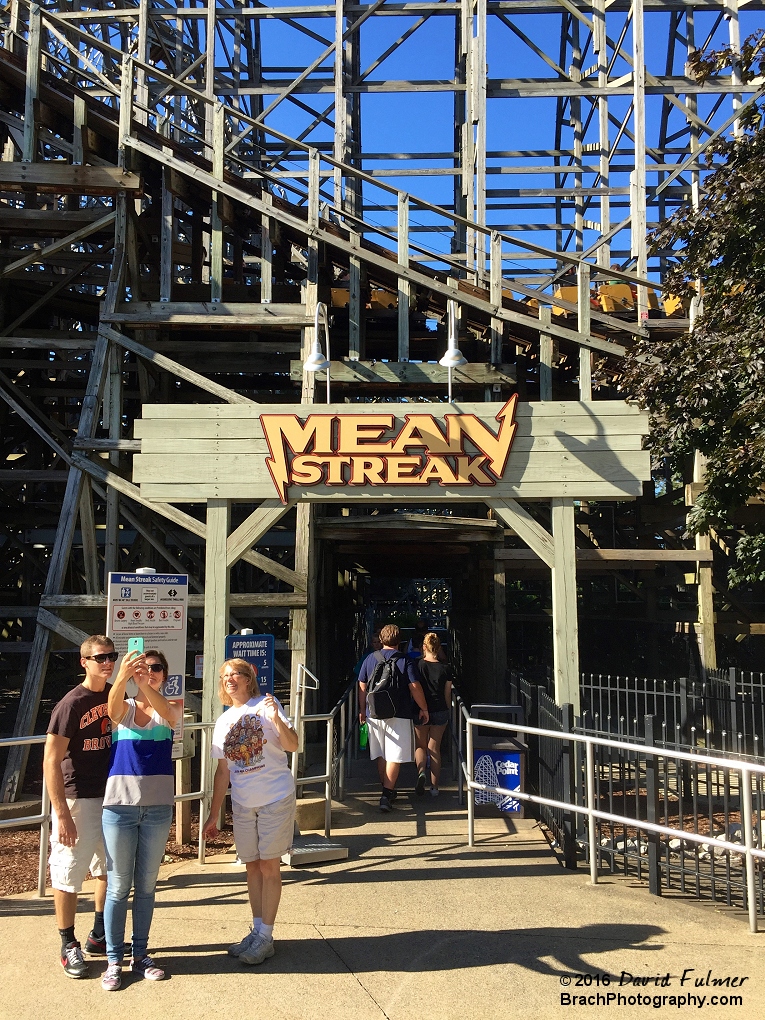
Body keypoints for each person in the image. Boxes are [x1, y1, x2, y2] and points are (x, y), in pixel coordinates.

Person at [202, 659, 298, 966]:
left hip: (274, 797)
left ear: (249, 678)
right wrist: (214, 814)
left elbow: (293, 745)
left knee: (270, 866)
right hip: (243, 803)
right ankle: (257, 931)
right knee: (252, 867)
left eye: (237, 674)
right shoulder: (224, 721)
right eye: (226, 676)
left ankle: (266, 936)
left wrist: (276, 719)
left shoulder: (267, 704)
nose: (231, 679)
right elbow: (222, 772)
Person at [100, 648, 182, 992]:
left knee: (147, 887)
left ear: (164, 674)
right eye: (143, 667)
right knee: (119, 887)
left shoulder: (172, 707)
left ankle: (141, 954)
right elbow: (111, 709)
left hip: (158, 809)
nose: (149, 672)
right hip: (119, 808)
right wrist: (122, 676)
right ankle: (114, 960)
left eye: (156, 668)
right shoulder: (125, 709)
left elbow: (167, 712)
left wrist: (142, 682)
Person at [43, 634, 119, 978]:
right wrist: (61, 813)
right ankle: (67, 943)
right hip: (78, 798)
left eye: (111, 657)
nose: (107, 663)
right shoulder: (71, 704)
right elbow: (50, 761)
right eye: (100, 658)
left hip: (113, 796)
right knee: (69, 872)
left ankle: (99, 934)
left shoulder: (115, 695)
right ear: (84, 662)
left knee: (109, 868)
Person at [357, 622, 429, 811]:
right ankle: (386, 794)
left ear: (381, 639)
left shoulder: (370, 659)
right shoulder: (405, 661)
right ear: (399, 640)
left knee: (381, 754)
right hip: (400, 713)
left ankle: (387, 791)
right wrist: (424, 708)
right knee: (394, 756)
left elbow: (362, 687)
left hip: (374, 713)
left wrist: (362, 710)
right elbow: (415, 687)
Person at [414, 633, 454, 797]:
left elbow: (414, 688)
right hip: (440, 710)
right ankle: (435, 787)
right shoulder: (446, 668)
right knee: (434, 748)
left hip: (421, 710)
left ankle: (422, 772)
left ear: (424, 647)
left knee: (420, 746)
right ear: (439, 648)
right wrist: (448, 711)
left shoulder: (418, 666)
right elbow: (447, 694)